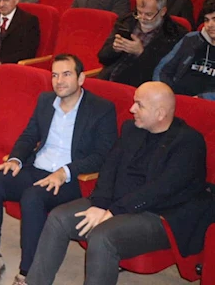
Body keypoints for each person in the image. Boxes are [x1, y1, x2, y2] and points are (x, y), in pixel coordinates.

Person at [28, 81, 208, 285]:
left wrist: (113, 211)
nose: (132, 109)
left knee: (103, 236)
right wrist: (100, 204)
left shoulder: (188, 143)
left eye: (139, 105)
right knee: (58, 218)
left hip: (158, 214)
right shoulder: (132, 129)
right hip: (117, 202)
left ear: (160, 114)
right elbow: (109, 168)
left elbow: (160, 190)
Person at [0, 54, 117, 285]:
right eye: (54, 75)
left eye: (66, 74)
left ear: (81, 78)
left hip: (71, 179)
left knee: (33, 197)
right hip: (38, 168)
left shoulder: (101, 108)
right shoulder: (46, 100)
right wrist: (15, 160)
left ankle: (28, 273)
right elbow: (30, 135)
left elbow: (103, 155)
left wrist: (65, 172)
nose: (59, 81)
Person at [98, 0, 187, 87]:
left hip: (143, 86)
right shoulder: (126, 22)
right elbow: (102, 57)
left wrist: (141, 53)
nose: (142, 18)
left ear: (162, 11)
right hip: (110, 78)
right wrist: (114, 49)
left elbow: (165, 73)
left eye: (149, 14)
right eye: (139, 12)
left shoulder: (174, 33)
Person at [155, 0, 215, 98]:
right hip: (174, 97)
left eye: (214, 19)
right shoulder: (191, 39)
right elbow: (163, 69)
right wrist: (165, 91)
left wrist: (201, 99)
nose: (210, 25)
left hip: (206, 104)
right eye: (206, 20)